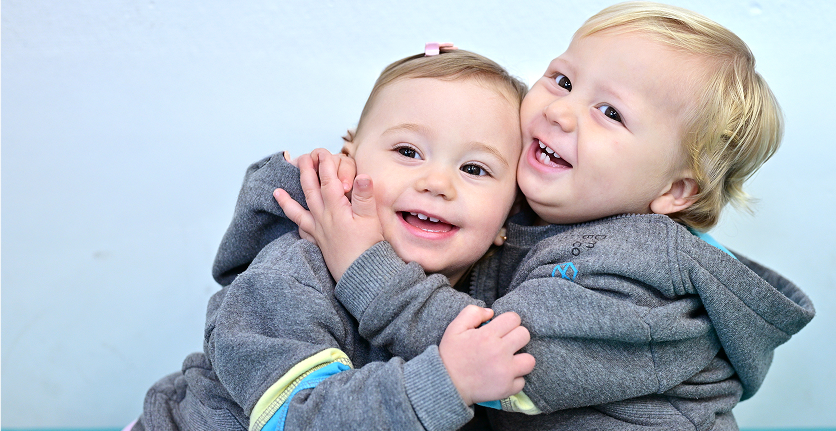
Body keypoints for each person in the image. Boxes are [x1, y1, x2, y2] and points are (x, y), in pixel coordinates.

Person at [277, 3, 816, 430]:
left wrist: (363, 266)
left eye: (610, 113)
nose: (559, 110)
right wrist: (460, 99)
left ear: (674, 189)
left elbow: (503, 361)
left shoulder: (638, 272)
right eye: (562, 80)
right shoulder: (553, 207)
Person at [131, 47, 536, 431]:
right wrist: (447, 384)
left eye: (475, 169)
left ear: (511, 212)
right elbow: (294, 421)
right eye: (408, 151)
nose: (437, 183)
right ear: (349, 159)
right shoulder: (291, 275)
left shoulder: (494, 292)